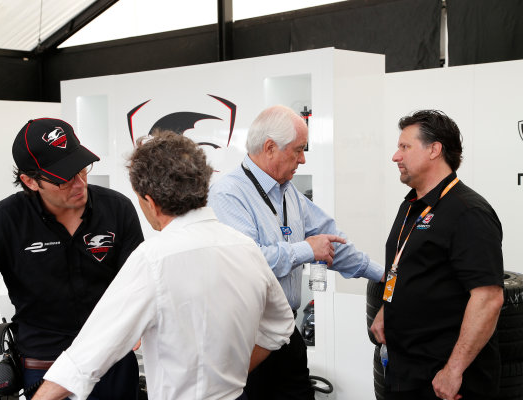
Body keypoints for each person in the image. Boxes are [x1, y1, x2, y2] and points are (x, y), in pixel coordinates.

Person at [31, 131, 295, 400]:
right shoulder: (246, 248)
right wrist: (229, 375)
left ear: (150, 201)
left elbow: (84, 360)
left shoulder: (153, 259)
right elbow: (281, 325)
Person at [0, 118, 144, 399]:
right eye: (63, 178)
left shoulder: (117, 209)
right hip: (43, 370)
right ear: (29, 180)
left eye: (81, 169)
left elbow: (138, 286)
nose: (79, 183)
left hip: (111, 365)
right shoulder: (2, 223)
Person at [208, 104, 384, 400]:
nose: (302, 159)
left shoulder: (289, 192)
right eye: (298, 150)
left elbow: (334, 244)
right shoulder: (228, 194)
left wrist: (384, 274)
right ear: (269, 148)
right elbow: (248, 262)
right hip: (247, 338)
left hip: (287, 330)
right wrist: (306, 250)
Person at [370, 110, 504, 400]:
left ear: (434, 149)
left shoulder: (468, 212)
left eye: (405, 147)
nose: (396, 156)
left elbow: (488, 298)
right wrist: (386, 308)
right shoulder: (411, 206)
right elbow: (408, 269)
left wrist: (453, 370)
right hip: (405, 370)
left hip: (444, 380)